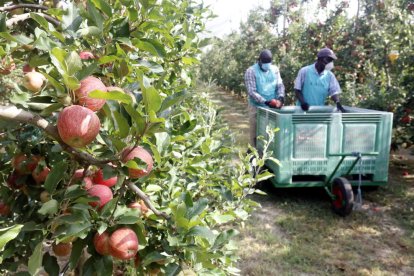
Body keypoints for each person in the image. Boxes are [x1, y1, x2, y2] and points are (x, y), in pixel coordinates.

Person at [245, 49, 285, 147]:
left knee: (272, 133)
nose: (267, 65)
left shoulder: (275, 69)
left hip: (272, 107)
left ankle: (269, 155)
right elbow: (252, 92)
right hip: (256, 107)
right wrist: (266, 102)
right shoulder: (251, 71)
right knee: (256, 132)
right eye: (265, 63)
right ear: (259, 61)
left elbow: (280, 85)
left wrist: (280, 98)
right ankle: (254, 153)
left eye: (269, 63)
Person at [294, 47, 345, 112]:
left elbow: (334, 91)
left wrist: (337, 102)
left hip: (318, 112)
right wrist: (303, 102)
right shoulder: (305, 71)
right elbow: (297, 89)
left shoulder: (329, 76)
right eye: (329, 60)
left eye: (332, 61)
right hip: (302, 111)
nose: (331, 63)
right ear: (321, 59)